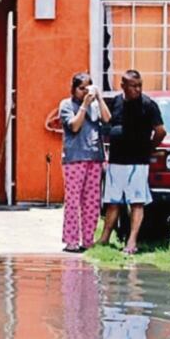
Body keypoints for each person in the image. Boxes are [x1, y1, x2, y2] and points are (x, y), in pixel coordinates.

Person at [96, 69, 166, 255]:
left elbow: (160, 131)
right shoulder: (116, 102)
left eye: (140, 85)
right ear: (123, 86)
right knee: (113, 202)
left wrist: (149, 148)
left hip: (137, 162)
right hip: (116, 160)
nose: (137, 89)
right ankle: (104, 238)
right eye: (133, 86)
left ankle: (131, 241)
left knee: (136, 202)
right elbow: (107, 121)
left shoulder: (148, 105)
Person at [59, 73, 111, 252]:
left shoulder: (95, 105)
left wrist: (99, 98)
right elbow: (74, 126)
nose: (84, 92)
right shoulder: (66, 105)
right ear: (73, 89)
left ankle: (88, 240)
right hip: (75, 158)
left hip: (95, 157)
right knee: (73, 200)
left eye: (87, 88)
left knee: (92, 202)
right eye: (81, 88)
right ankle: (71, 241)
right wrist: (84, 105)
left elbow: (107, 119)